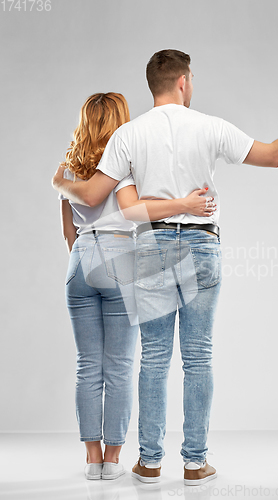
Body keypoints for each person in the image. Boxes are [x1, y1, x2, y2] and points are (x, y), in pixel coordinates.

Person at [52, 50, 278, 485]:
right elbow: (273, 156)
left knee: (154, 358)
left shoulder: (128, 135)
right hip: (202, 245)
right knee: (198, 357)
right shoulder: (211, 126)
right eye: (192, 78)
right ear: (182, 81)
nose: (192, 84)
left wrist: (61, 179)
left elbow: (99, 196)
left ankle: (149, 462)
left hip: (152, 246)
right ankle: (195, 464)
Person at [58, 91, 216, 481]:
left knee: (87, 366)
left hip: (80, 259)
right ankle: (113, 460)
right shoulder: (127, 163)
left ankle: (92, 458)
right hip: (122, 259)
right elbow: (138, 212)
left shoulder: (67, 169)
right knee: (122, 365)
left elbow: (67, 232)